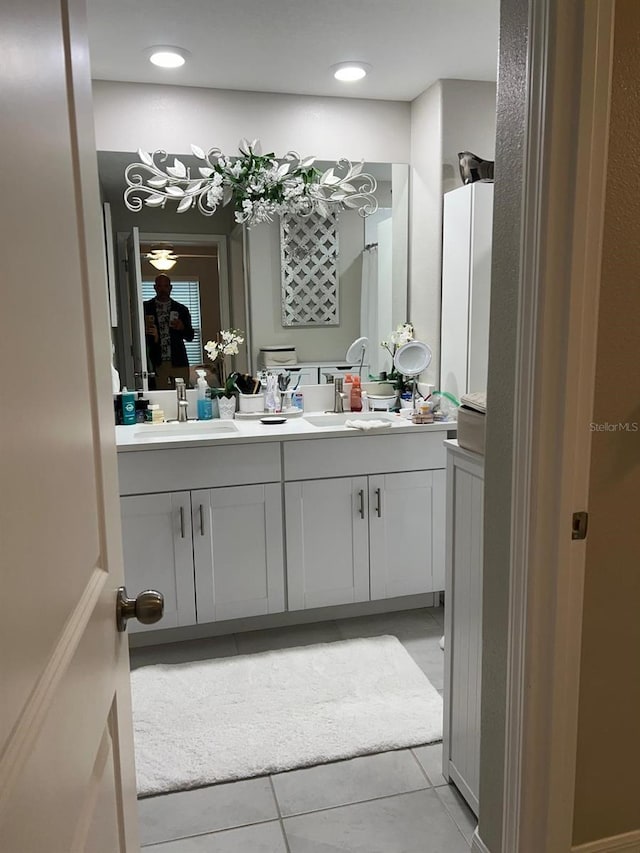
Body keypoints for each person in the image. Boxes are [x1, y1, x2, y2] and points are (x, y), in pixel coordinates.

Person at [143, 274, 195, 389]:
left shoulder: (181, 309)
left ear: (170, 288)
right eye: (160, 286)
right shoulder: (145, 308)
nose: (163, 289)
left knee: (182, 392)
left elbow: (190, 336)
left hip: (178, 360)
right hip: (156, 361)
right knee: (160, 395)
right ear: (155, 287)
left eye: (165, 286)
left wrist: (182, 327)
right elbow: (137, 336)